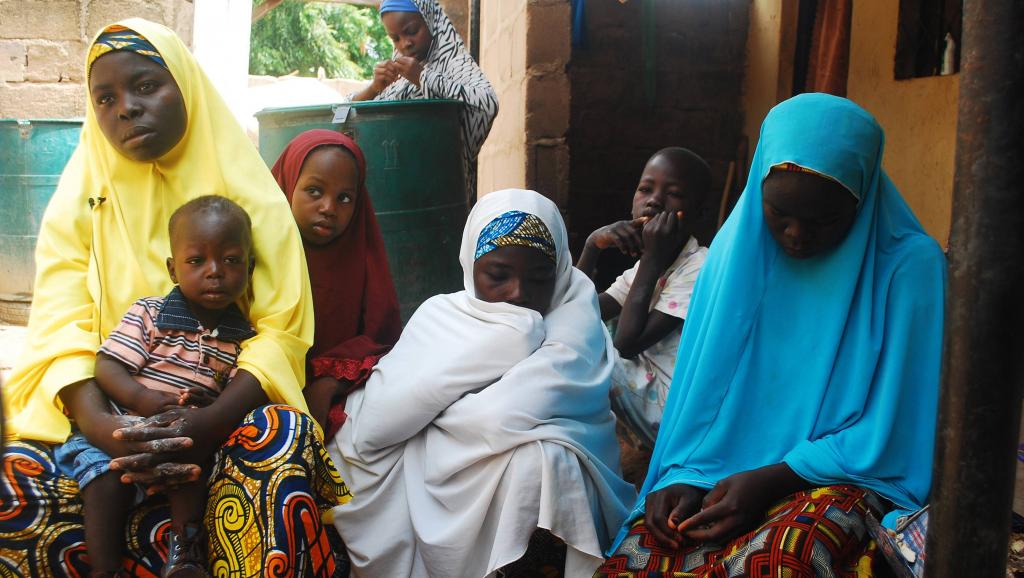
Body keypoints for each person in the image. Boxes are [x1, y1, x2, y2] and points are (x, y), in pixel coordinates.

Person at [0, 19, 349, 578]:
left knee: (283, 442)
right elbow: (59, 328)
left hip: (218, 416)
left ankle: (192, 555)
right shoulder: (80, 199)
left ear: (185, 86)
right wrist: (107, 429)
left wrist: (205, 426)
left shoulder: (250, 199)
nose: (126, 109)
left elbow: (279, 333)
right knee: (13, 473)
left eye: (145, 86)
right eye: (105, 98)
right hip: (104, 416)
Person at [595, 93, 946, 577]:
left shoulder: (909, 269)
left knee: (781, 561)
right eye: (779, 213)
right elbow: (702, 402)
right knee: (639, 559)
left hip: (843, 477)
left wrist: (769, 481)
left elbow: (895, 429)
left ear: (862, 201)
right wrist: (684, 472)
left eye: (825, 220)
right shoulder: (735, 257)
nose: (796, 235)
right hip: (720, 469)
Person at [330, 189, 637, 577]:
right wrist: (511, 339)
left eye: (539, 278)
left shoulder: (573, 312)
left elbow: (499, 417)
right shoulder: (440, 315)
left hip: (494, 466)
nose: (518, 294)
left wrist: (433, 415)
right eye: (497, 276)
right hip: (425, 472)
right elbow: (375, 426)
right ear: (470, 264)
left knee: (545, 462)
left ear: (559, 272)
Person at [54, 196, 258, 577]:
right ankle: (105, 569)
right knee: (106, 480)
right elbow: (108, 366)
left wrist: (205, 406)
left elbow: (227, 398)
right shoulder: (150, 313)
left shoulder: (242, 339)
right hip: (123, 431)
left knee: (191, 474)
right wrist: (144, 399)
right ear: (173, 270)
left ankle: (185, 553)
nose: (215, 272)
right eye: (196, 261)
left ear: (250, 267)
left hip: (183, 438)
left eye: (231, 260)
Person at [575, 147, 711, 451]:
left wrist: (652, 257)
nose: (654, 201)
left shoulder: (700, 267)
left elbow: (627, 343)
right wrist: (592, 246)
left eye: (673, 194)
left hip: (675, 417)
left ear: (699, 213)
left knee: (575, 350)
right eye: (646, 189)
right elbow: (573, 312)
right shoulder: (649, 267)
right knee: (570, 330)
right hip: (651, 401)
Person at [271, 129, 402, 438]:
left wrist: (331, 383)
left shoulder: (362, 258)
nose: (329, 208)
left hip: (342, 399)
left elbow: (384, 340)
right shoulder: (257, 254)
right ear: (288, 184)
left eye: (344, 198)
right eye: (314, 191)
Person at [351, 0, 498, 202]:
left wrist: (423, 78)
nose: (405, 43)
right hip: (393, 197)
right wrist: (373, 88)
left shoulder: (454, 64)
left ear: (430, 20)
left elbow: (487, 103)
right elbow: (344, 115)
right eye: (395, 38)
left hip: (440, 199)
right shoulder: (398, 77)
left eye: (411, 31)